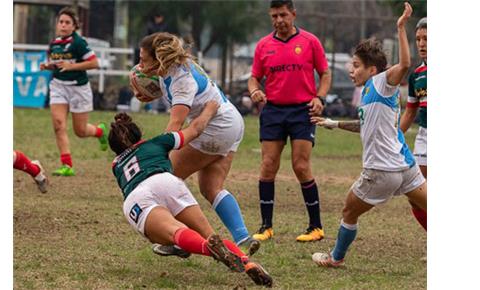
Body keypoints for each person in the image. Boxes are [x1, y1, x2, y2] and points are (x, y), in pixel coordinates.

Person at [310, 2, 427, 267]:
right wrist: (334, 123)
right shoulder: (368, 92)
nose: (351, 70)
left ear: (372, 70)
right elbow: (366, 126)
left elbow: (405, 63)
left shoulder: (382, 82)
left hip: (381, 171)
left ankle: (335, 258)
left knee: (349, 212)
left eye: (355, 65)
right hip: (406, 166)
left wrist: (400, 28)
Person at [108, 102, 272, 287]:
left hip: (138, 195)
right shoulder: (158, 142)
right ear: (139, 135)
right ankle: (246, 262)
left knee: (174, 232)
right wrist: (210, 109)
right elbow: (195, 129)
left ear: (115, 148)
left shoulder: (116, 165)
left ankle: (207, 250)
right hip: (168, 182)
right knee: (208, 233)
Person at [134, 32, 260, 256]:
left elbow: (175, 124)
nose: (139, 64)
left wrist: (156, 153)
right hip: (231, 119)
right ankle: (243, 237)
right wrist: (149, 94)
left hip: (216, 126)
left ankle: (179, 240)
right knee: (211, 187)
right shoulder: (173, 66)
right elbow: (174, 91)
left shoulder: (182, 82)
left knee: (167, 179)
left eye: (144, 59)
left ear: (159, 59)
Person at [247, 0, 332, 242]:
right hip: (273, 111)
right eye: (274, 16)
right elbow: (254, 78)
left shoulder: (310, 42)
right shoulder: (263, 45)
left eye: (283, 15)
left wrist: (320, 97)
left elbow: (325, 73)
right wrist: (254, 91)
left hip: (303, 111)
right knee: (268, 165)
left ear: (293, 14)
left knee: (301, 166)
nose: (279, 20)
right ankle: (266, 226)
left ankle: (316, 227)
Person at [40, 7, 108, 177]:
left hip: (78, 88)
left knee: (80, 131)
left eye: (67, 22)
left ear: (74, 26)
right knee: (58, 125)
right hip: (58, 86)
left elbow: (94, 63)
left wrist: (73, 66)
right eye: (61, 22)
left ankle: (99, 131)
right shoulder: (54, 43)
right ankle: (67, 165)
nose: (63, 25)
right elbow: (57, 63)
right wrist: (48, 66)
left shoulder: (79, 43)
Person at [400, 17, 427, 231]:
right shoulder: (417, 75)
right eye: (418, 39)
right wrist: (392, 137)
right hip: (425, 138)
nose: (421, 44)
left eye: (427, 39)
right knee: (415, 194)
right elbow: (410, 112)